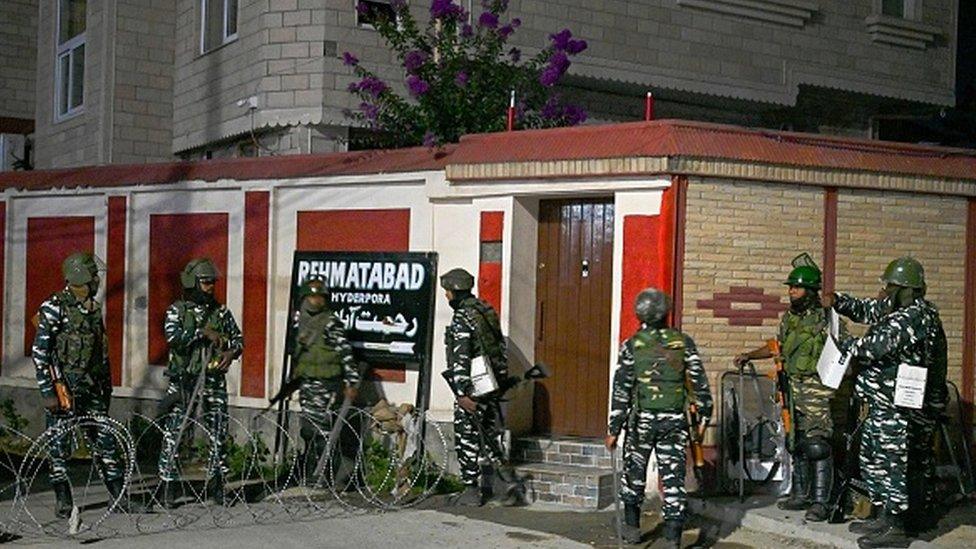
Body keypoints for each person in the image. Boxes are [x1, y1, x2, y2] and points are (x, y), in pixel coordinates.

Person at [824, 257, 947, 548]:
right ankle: (883, 515)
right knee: (874, 456)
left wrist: (841, 344)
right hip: (882, 403)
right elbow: (868, 309)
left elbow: (873, 348)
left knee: (894, 462)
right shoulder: (898, 308)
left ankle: (898, 527)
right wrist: (837, 301)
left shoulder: (916, 317)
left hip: (899, 407)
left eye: (891, 286)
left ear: (907, 289)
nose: (885, 291)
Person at [734, 254, 840, 521]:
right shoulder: (790, 319)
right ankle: (802, 495)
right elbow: (777, 347)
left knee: (818, 445)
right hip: (791, 386)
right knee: (796, 442)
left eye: (796, 287)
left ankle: (821, 502)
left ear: (810, 290)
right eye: (790, 287)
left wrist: (833, 384)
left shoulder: (827, 319)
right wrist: (750, 355)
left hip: (815, 388)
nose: (791, 292)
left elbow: (843, 350)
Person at [606, 288, 712, 547]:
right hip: (674, 422)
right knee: (673, 480)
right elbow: (700, 384)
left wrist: (613, 429)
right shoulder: (683, 343)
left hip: (641, 422)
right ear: (666, 313)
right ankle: (672, 539)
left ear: (639, 313)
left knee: (634, 476)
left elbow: (621, 389)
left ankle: (632, 531)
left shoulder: (632, 346)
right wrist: (705, 413)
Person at [33, 252, 129, 517]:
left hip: (92, 386)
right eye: (94, 276)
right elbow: (41, 353)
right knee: (60, 445)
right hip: (65, 386)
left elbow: (101, 350)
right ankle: (63, 499)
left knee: (105, 440)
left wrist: (106, 386)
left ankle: (118, 496)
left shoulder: (92, 308)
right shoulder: (55, 307)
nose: (98, 281)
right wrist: (48, 392)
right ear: (81, 278)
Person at [157, 258, 243, 508]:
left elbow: (238, 339)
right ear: (193, 283)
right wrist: (202, 333)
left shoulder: (221, 312)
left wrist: (231, 352)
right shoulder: (178, 311)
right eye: (205, 282)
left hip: (213, 380)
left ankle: (218, 485)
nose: (210, 287)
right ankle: (167, 486)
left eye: (212, 282)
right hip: (184, 380)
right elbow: (173, 338)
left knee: (218, 433)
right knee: (175, 433)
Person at [440, 267, 508, 507]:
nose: (446, 297)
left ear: (454, 291)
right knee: (488, 434)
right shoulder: (484, 310)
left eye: (447, 292)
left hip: (473, 387)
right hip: (490, 382)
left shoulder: (461, 318)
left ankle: (470, 490)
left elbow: (461, 358)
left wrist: (462, 393)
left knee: (467, 437)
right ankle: (504, 486)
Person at [289, 277, 359, 484]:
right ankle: (313, 469)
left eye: (320, 297)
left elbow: (345, 352)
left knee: (323, 431)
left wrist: (352, 382)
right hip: (308, 383)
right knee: (309, 429)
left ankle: (327, 473)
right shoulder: (302, 321)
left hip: (326, 384)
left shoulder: (331, 323)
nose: (316, 301)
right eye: (312, 297)